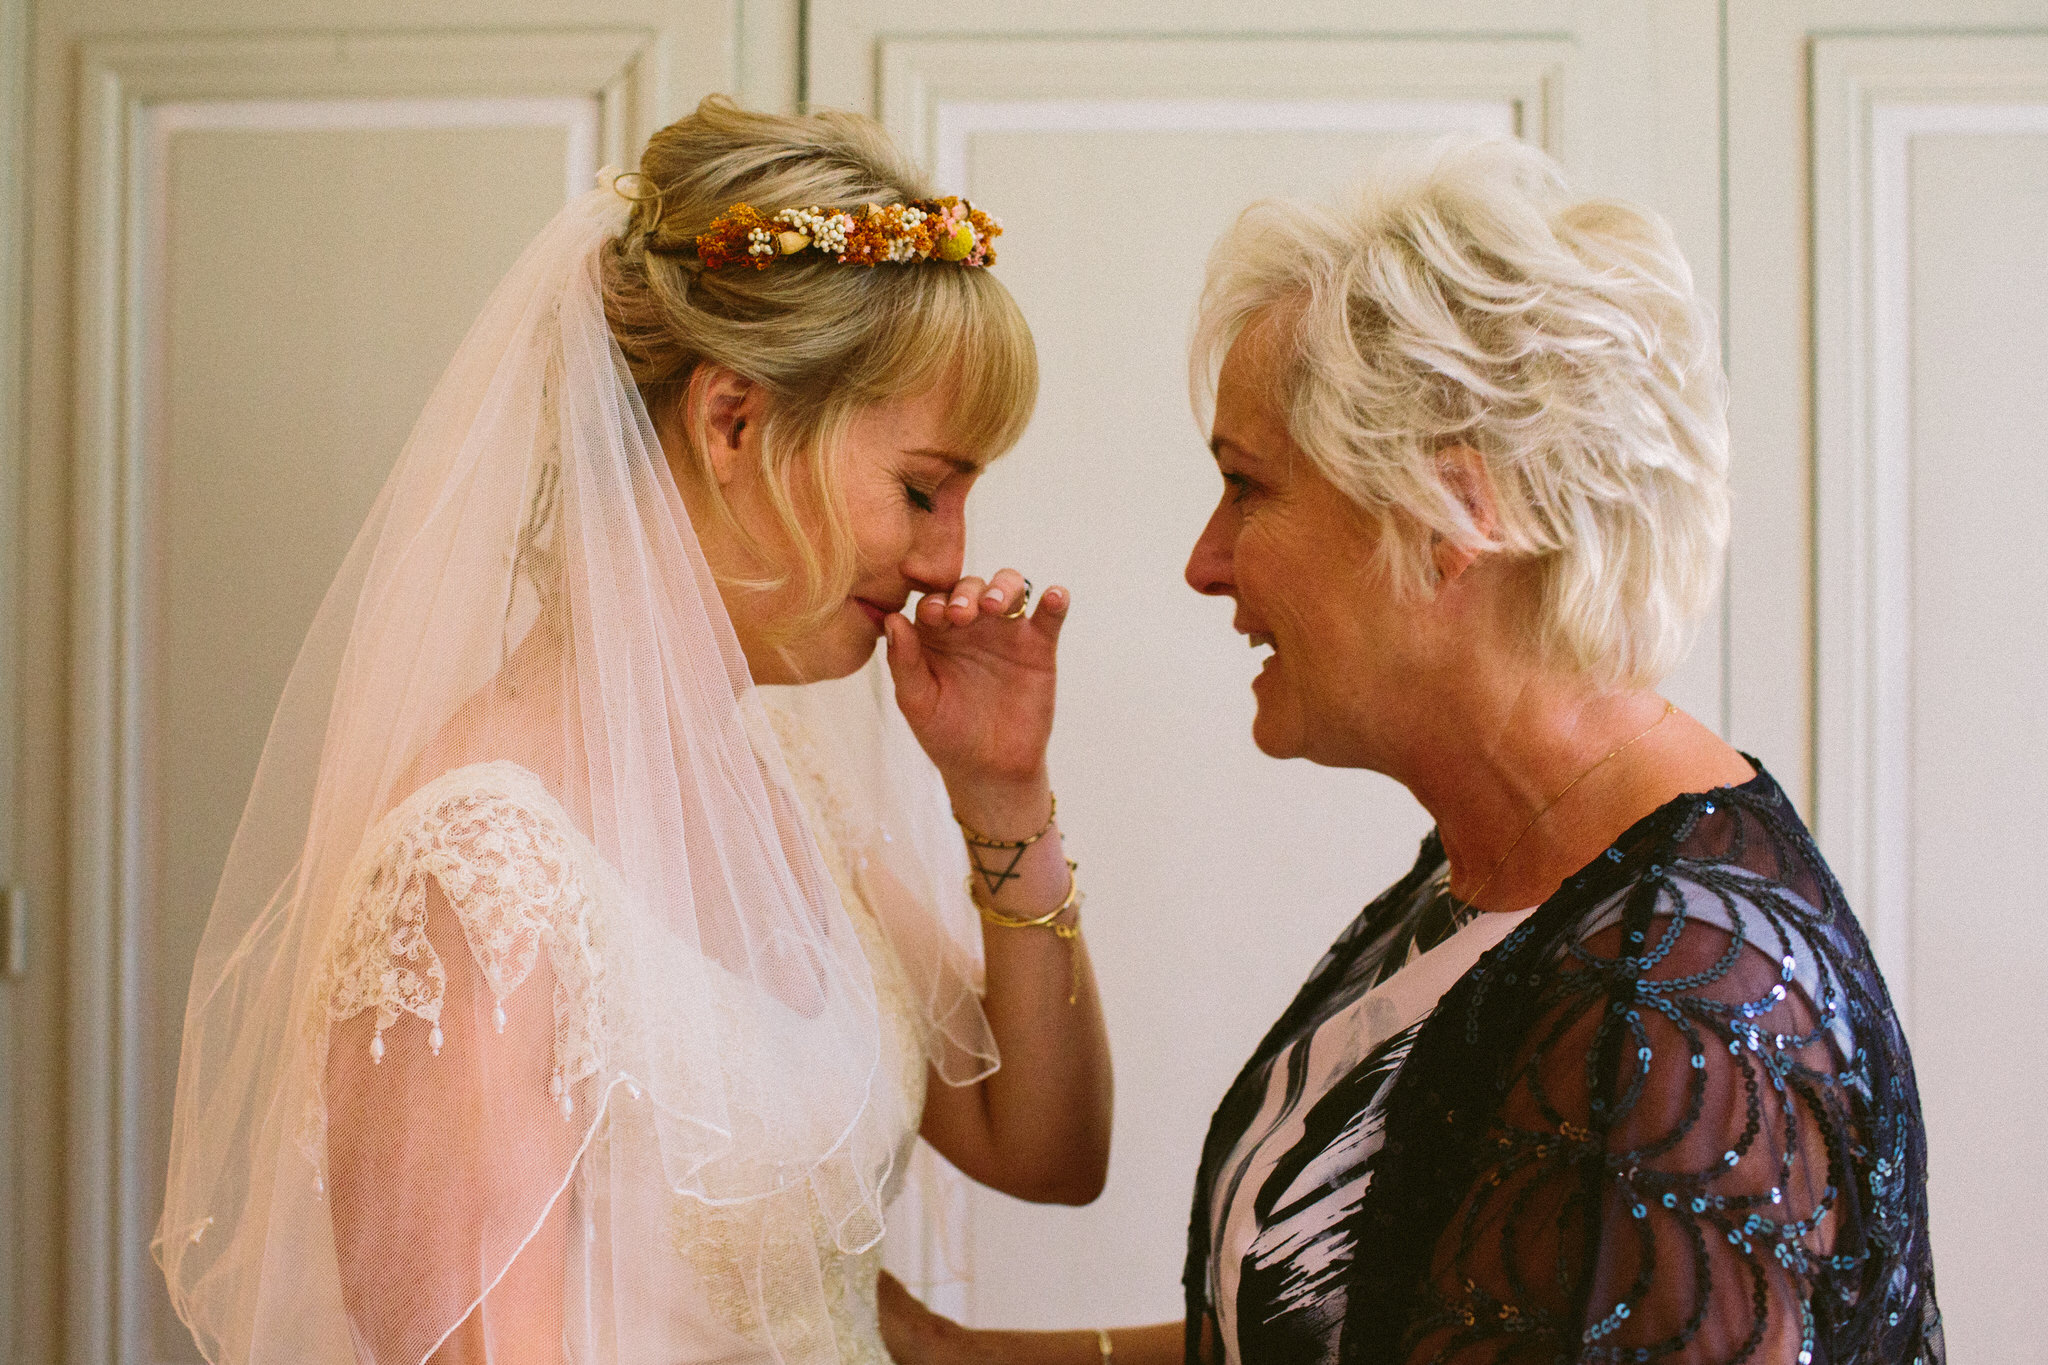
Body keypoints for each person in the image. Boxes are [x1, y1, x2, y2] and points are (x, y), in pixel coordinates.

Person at [879, 138, 1940, 1364]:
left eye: (1246, 486)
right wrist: (946, 1352)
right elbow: (1349, 1324)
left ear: (1450, 517)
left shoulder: (1658, 1012)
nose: (1203, 561)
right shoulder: (1499, 875)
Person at [154, 96, 1112, 1365]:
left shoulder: (778, 787)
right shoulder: (477, 873)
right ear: (733, 423)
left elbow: (1042, 1150)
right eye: (923, 488)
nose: (950, 559)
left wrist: (1001, 796)